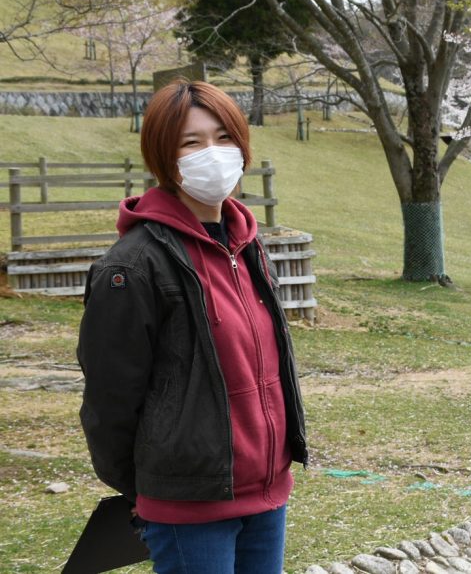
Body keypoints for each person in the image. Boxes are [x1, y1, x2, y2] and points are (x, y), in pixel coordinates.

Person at [77, 81, 308, 574]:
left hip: (265, 492)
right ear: (165, 156)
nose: (214, 153)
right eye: (192, 142)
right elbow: (110, 400)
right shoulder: (133, 267)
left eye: (224, 137)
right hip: (188, 505)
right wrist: (149, 488)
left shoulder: (247, 244)